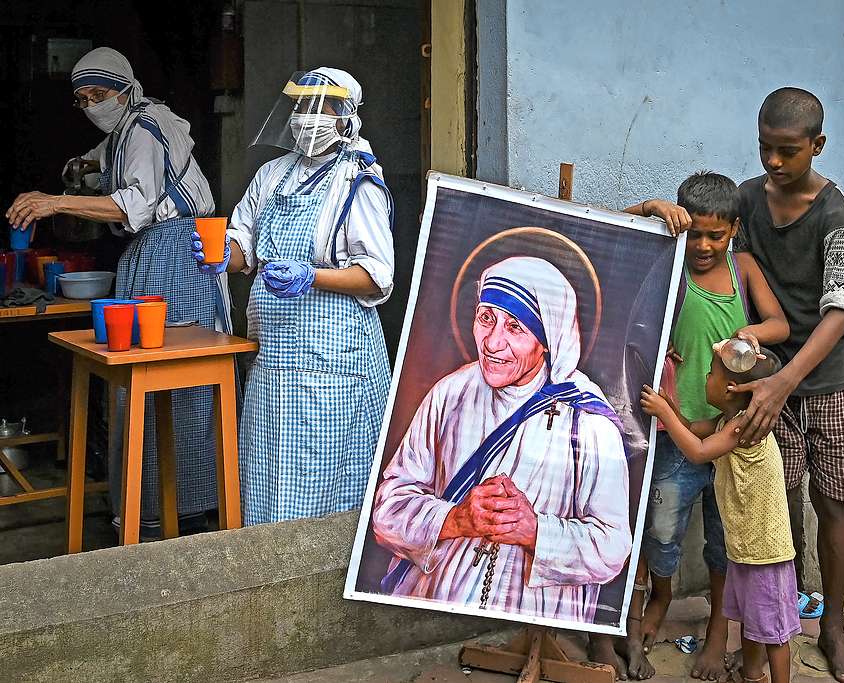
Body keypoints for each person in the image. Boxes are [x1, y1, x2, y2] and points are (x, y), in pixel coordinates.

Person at [6, 46, 225, 539]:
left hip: (175, 258)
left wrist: (56, 202)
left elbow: (137, 202)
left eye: (99, 94)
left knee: (176, 385)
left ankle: (182, 513)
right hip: (148, 257)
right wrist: (78, 172)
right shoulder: (125, 130)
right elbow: (97, 162)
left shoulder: (149, 125)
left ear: (126, 88)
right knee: (140, 383)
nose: (92, 105)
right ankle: (146, 508)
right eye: (82, 99)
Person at [591, 173, 790, 681]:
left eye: (715, 235)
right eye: (695, 233)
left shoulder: (742, 268)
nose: (703, 245)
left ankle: (719, 631)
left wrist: (745, 335)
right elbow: (608, 237)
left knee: (726, 541)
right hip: (676, 431)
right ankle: (660, 596)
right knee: (659, 532)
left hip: (730, 436)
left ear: (733, 231)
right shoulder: (668, 262)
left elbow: (780, 325)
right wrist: (650, 206)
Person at [372, 256, 632, 623]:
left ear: (547, 340)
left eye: (515, 327)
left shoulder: (587, 423)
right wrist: (456, 519)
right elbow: (387, 509)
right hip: (434, 608)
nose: (493, 342)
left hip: (535, 615)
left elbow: (613, 547)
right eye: (486, 318)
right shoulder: (450, 394)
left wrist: (535, 531)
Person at [194, 68, 393, 523]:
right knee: (267, 473)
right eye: (303, 107)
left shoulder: (357, 180)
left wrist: (312, 276)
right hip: (273, 359)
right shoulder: (273, 175)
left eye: (322, 108)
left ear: (346, 118)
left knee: (326, 483)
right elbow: (244, 245)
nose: (309, 118)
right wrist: (225, 253)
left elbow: (377, 276)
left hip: (334, 361)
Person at [732, 87, 844, 683]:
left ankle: (834, 626)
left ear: (818, 145)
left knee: (831, 507)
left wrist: (785, 382)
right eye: (765, 148)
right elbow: (706, 240)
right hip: (766, 384)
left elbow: (841, 311)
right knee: (776, 511)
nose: (773, 163)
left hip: (830, 382)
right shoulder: (745, 200)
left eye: (787, 151)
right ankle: (773, 630)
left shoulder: (836, 213)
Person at [640, 348, 799, 683]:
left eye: (711, 374)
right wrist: (669, 407)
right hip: (744, 547)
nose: (705, 378)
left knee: (773, 631)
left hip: (765, 551)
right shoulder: (728, 421)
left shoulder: (745, 427)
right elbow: (693, 430)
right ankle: (752, 675)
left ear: (729, 388)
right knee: (752, 620)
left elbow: (698, 452)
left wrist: (665, 414)